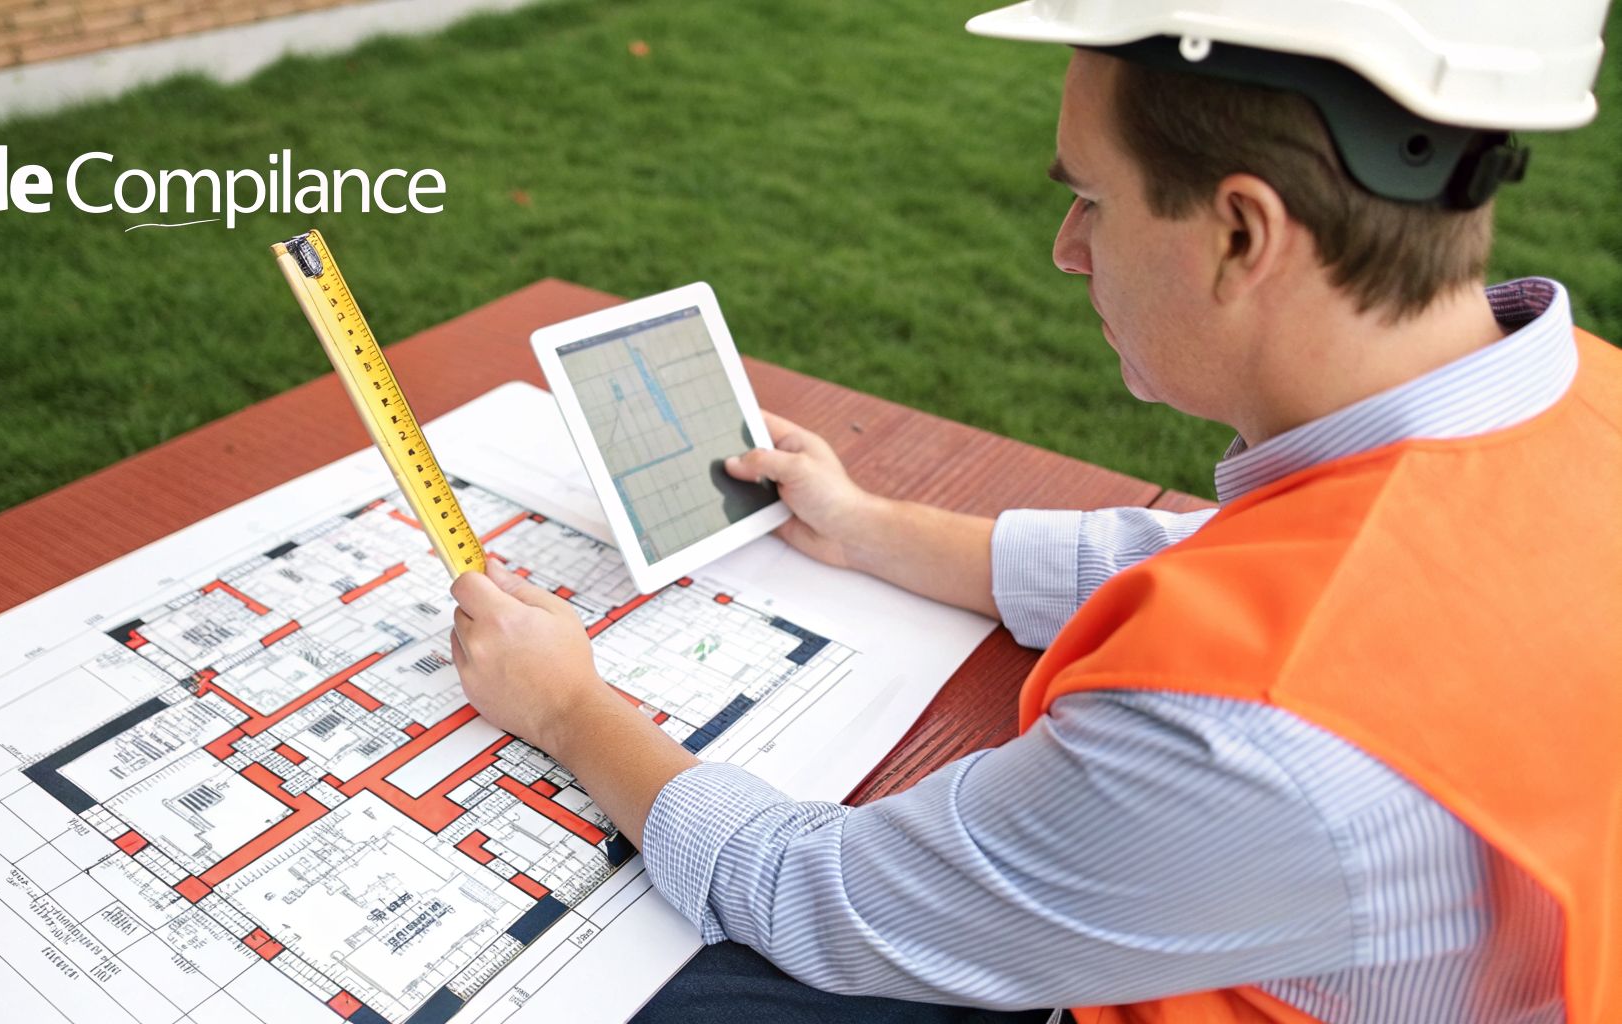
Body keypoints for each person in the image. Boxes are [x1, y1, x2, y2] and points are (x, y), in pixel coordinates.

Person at [449, 2, 1621, 1020]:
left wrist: (568, 707)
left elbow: (823, 900)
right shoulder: (1575, 402)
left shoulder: (1252, 740)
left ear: (1239, 234)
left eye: (1092, 202)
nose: (1065, 252)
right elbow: (1262, 568)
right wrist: (866, 525)